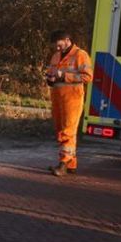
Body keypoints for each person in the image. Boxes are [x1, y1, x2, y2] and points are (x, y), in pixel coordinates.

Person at [44, 30, 92, 176]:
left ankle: (63, 164)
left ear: (66, 40)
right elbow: (52, 74)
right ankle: (71, 164)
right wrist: (50, 79)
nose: (57, 48)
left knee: (68, 131)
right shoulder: (56, 56)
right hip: (58, 97)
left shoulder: (80, 55)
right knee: (60, 129)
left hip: (73, 98)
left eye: (58, 45)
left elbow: (88, 76)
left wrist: (64, 75)